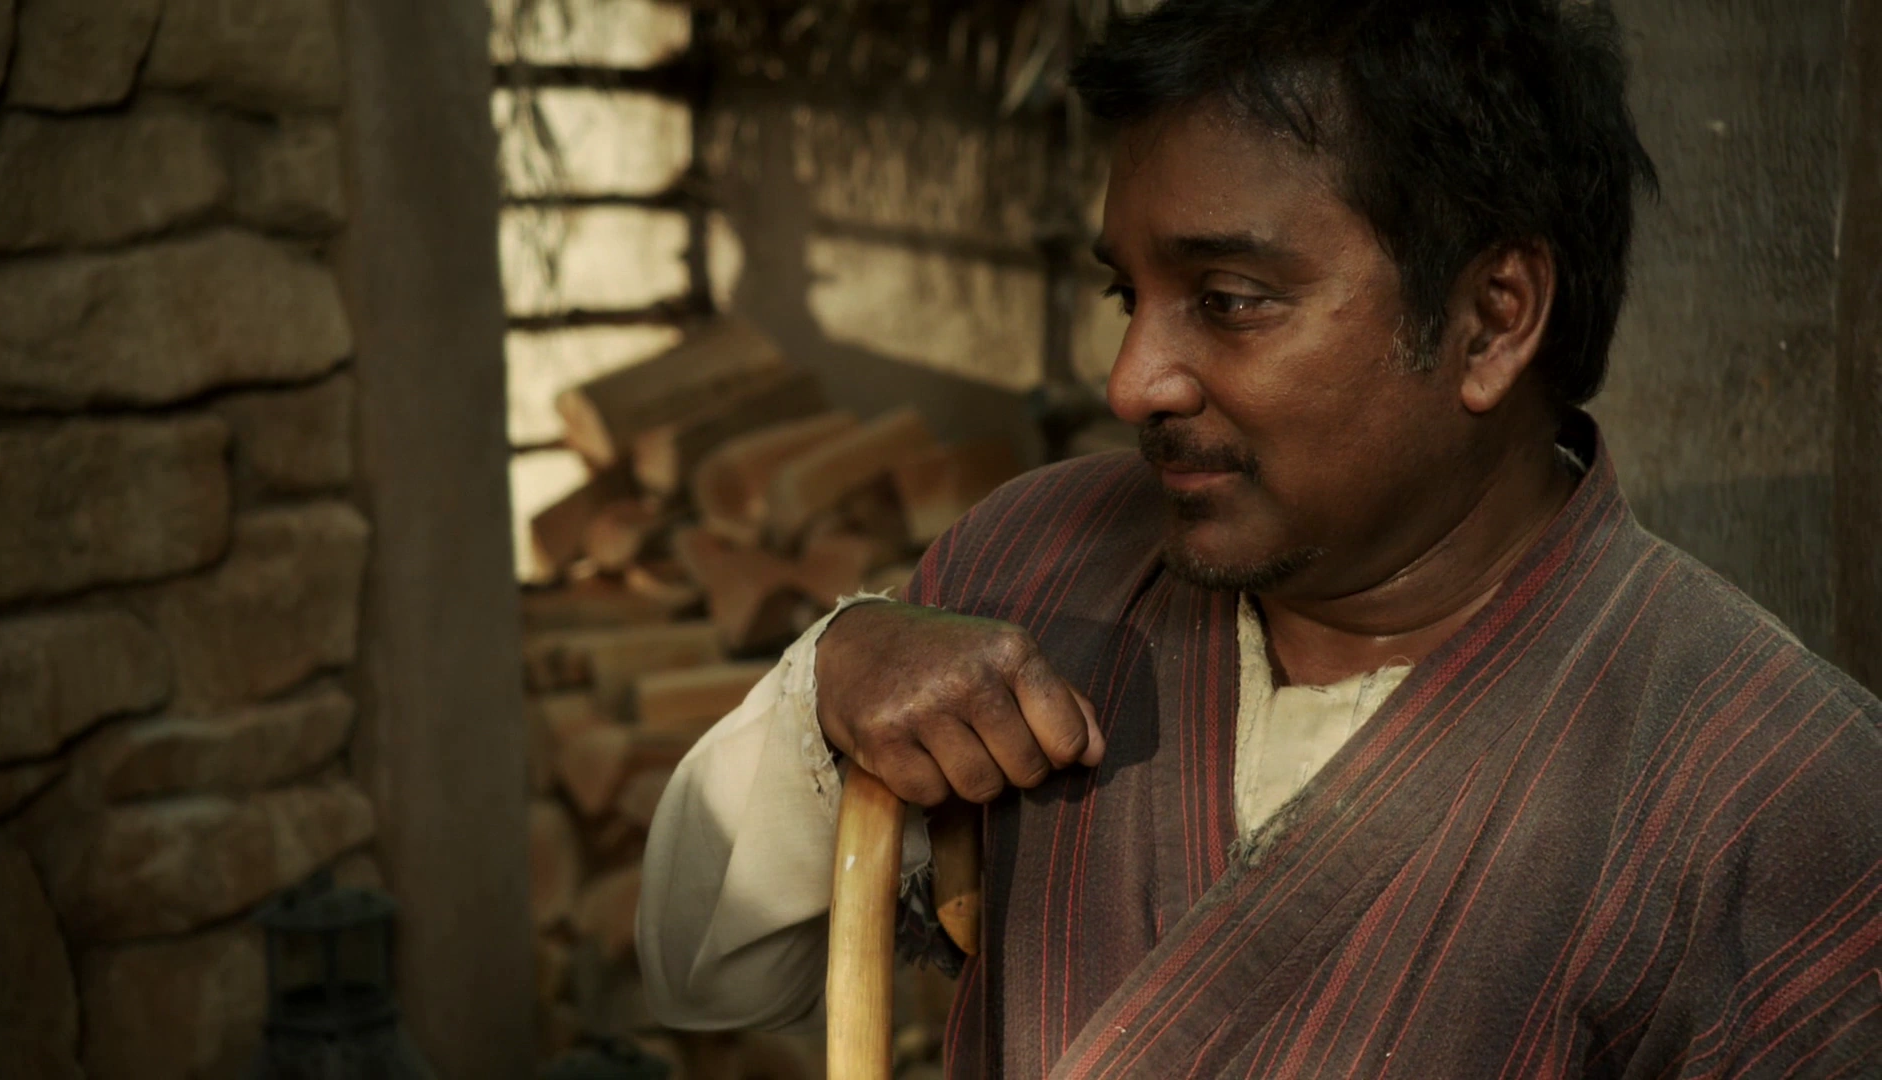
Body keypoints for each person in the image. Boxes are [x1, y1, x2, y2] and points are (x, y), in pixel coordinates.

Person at [636, 0, 1882, 1075]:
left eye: (1229, 301)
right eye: (1128, 295)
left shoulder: (1769, 792)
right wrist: (830, 680)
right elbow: (706, 974)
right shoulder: (1036, 570)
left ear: (1493, 320)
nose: (1133, 381)